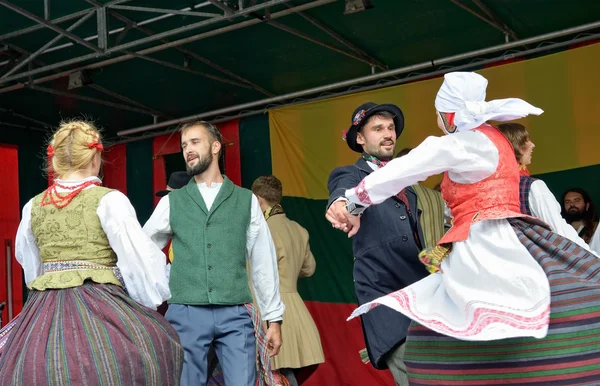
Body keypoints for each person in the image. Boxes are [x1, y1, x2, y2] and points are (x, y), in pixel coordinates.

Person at [343, 72, 600, 384]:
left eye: (438, 116)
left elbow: (403, 169)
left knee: (471, 313)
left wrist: (356, 199)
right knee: (448, 296)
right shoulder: (493, 138)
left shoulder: (463, 144)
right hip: (490, 234)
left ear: (448, 115)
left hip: (484, 238)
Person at [0, 120, 183, 385]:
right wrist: (146, 303)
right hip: (102, 300)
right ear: (95, 158)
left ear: (55, 161)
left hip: (44, 308)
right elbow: (139, 260)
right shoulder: (110, 200)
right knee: (156, 346)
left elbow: (30, 264)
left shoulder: (33, 206)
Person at [143, 120, 285, 386]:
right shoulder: (171, 202)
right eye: (184, 145)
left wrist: (273, 318)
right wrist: (161, 289)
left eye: (195, 142)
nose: (188, 150)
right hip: (185, 311)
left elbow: (264, 261)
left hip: (235, 312)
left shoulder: (247, 200)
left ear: (216, 146)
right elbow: (142, 248)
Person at [325, 102, 428, 385]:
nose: (388, 134)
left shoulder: (410, 183)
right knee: (414, 371)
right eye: (378, 128)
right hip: (384, 295)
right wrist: (340, 205)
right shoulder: (351, 174)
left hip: (424, 294)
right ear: (360, 138)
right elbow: (341, 193)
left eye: (391, 128)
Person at [252, 175, 325, 386]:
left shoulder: (260, 230)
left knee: (272, 375)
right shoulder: (299, 230)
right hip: (296, 309)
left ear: (258, 200)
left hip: (267, 310)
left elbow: (252, 276)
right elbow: (309, 269)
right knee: (284, 374)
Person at [497, 123, 594, 252]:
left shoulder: (489, 190)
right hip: (538, 261)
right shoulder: (532, 187)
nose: (532, 145)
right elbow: (559, 231)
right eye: (526, 140)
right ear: (515, 147)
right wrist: (591, 256)